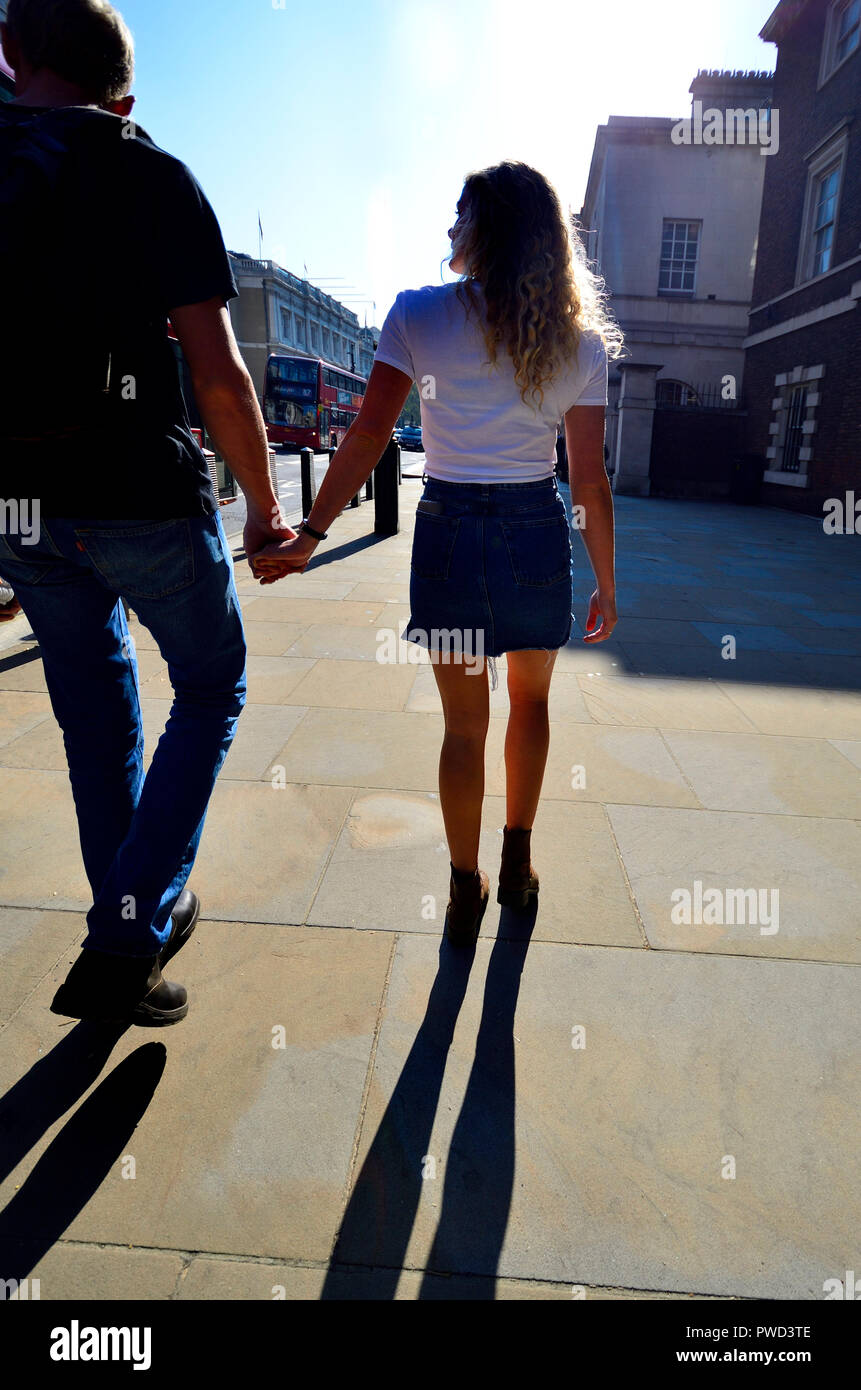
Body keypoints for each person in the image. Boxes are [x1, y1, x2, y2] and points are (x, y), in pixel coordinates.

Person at [0, 0, 292, 1024]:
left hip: (21, 505)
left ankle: (133, 907)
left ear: (10, 53)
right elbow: (216, 375)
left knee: (92, 709)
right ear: (123, 93)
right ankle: (128, 929)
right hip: (142, 495)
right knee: (211, 684)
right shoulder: (151, 172)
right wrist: (262, 506)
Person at [254, 161, 623, 945]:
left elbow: (367, 435)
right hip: (533, 532)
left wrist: (312, 534)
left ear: (486, 230)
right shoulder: (578, 343)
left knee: (463, 726)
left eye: (460, 217)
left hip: (449, 532)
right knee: (530, 704)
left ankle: (464, 887)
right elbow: (587, 477)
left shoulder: (417, 317)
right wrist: (607, 584)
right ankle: (517, 861)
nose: (449, 231)